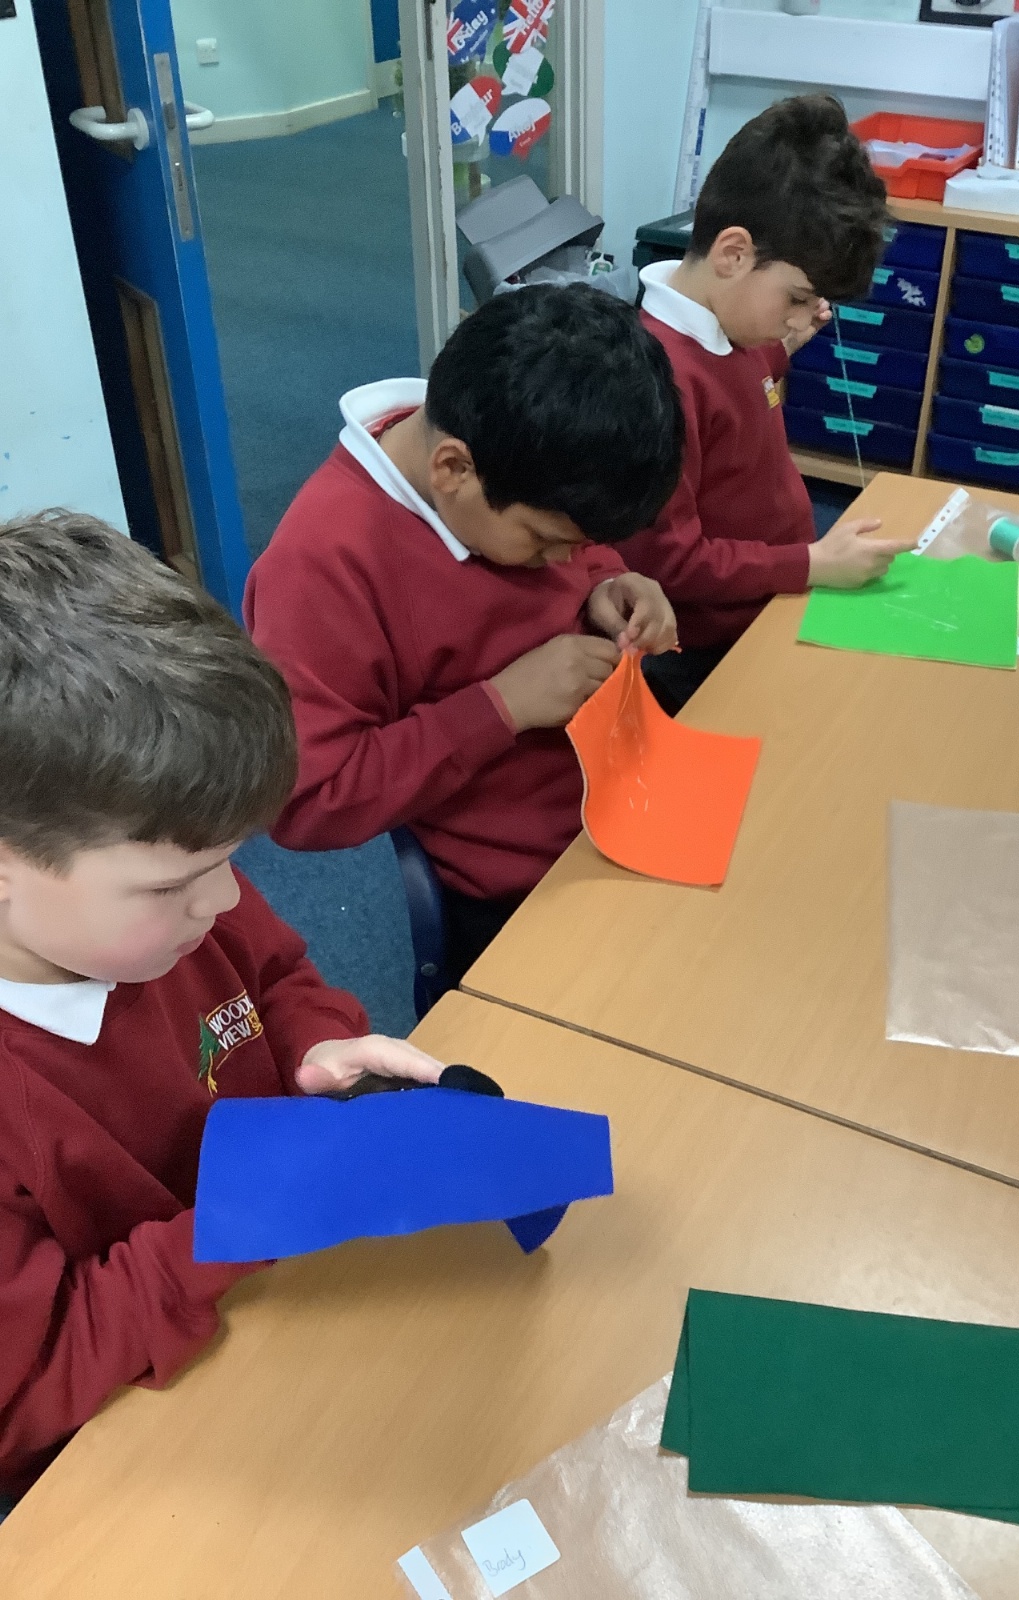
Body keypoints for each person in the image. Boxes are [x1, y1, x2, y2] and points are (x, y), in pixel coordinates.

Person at [0, 511, 446, 1501]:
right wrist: (245, 1219)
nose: (223, 901)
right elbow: (31, 1386)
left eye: (232, 860)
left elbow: (277, 978)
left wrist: (318, 1048)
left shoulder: (172, 910)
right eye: (173, 882)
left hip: (268, 1291)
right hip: (138, 1452)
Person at [246, 284, 684, 986]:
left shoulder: (516, 463)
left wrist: (610, 582)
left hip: (631, 799)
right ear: (452, 469)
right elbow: (307, 802)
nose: (562, 562)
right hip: (526, 888)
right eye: (545, 543)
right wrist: (501, 706)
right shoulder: (321, 565)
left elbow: (577, 549)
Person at [620, 93, 916, 712]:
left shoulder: (732, 327)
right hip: (710, 651)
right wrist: (810, 564)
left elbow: (742, 389)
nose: (810, 315)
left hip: (775, 600)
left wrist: (782, 347)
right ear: (734, 254)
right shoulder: (658, 384)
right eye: (799, 298)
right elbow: (674, 563)